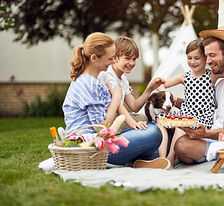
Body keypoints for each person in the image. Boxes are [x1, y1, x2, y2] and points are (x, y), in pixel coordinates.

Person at [62, 32, 170, 169]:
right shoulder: (89, 84)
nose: (113, 62)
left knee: (149, 130)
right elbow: (102, 128)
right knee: (154, 133)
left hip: (96, 142)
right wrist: (116, 97)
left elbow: (110, 121)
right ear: (94, 58)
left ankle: (143, 162)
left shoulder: (93, 80)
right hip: (90, 149)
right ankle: (141, 160)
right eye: (110, 58)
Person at [98, 36, 171, 166]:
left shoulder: (122, 78)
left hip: (118, 125)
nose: (131, 63)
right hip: (107, 129)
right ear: (115, 57)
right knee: (153, 132)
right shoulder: (107, 75)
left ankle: (144, 160)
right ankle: (146, 159)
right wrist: (132, 123)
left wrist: (149, 89)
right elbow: (118, 106)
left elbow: (134, 106)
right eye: (127, 58)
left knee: (148, 122)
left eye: (134, 59)